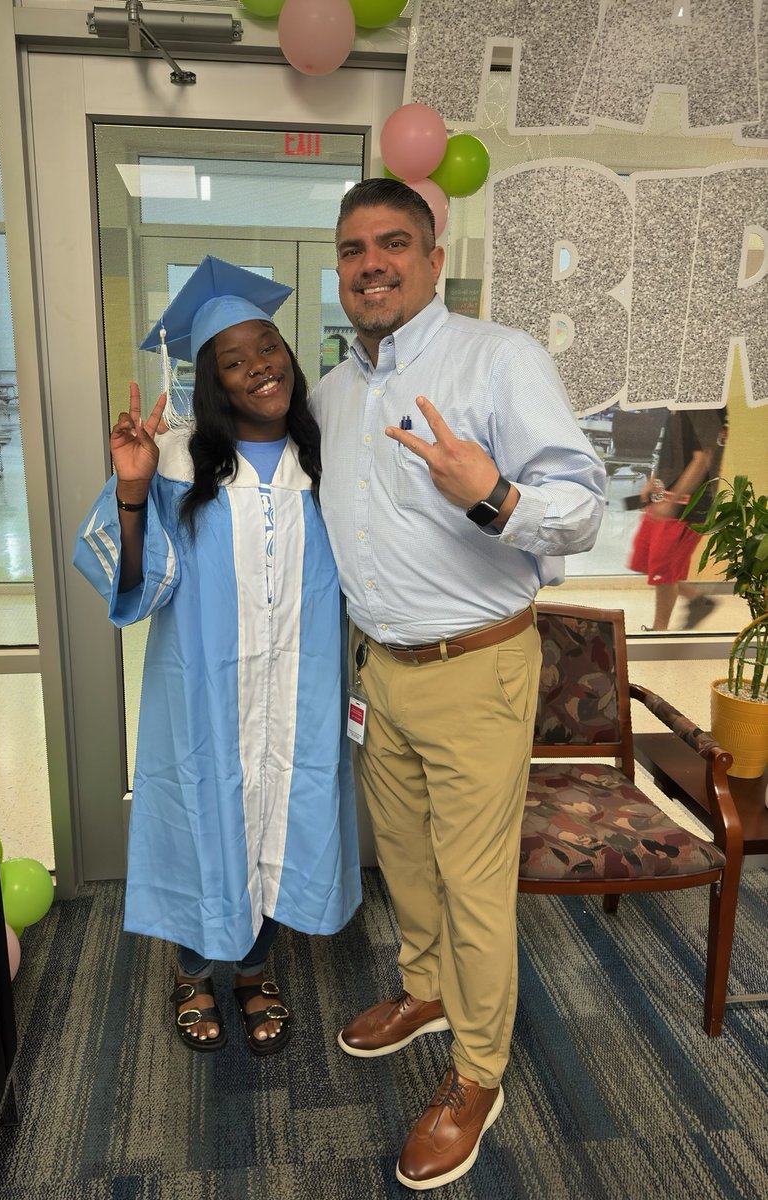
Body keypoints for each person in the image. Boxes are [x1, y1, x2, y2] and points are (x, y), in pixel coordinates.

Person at [309, 178, 606, 1189]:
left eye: (394, 242)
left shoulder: (498, 358)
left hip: (477, 667)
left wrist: (497, 495)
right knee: (404, 857)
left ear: (434, 259)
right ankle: (424, 991)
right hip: (380, 670)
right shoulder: (333, 390)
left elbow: (580, 507)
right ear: (339, 270)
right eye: (353, 249)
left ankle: (480, 1071)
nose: (371, 263)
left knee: (477, 884)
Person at [74, 257, 360, 1057]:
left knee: (279, 810)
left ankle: (254, 969)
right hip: (204, 688)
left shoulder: (324, 457)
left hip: (299, 683)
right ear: (213, 381)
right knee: (212, 813)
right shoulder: (173, 461)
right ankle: (195, 970)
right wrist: (131, 488)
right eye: (233, 361)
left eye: (266, 347)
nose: (257, 367)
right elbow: (135, 585)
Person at [629, 407, 727, 630]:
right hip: (666, 496)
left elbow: (702, 459)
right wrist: (654, 481)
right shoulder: (680, 406)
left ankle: (658, 631)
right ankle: (697, 600)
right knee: (649, 562)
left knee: (663, 570)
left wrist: (672, 503)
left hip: (685, 506)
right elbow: (673, 451)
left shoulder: (705, 406)